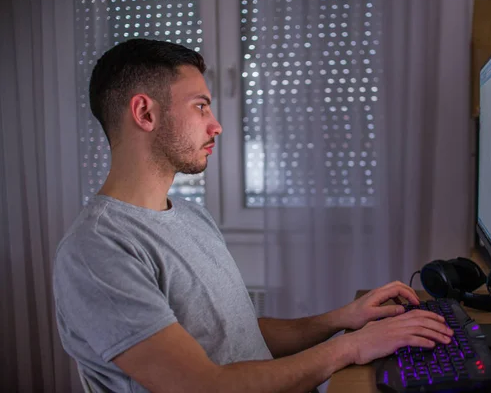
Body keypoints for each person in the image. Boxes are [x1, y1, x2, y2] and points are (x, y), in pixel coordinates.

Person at [53, 39, 453, 393]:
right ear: (144, 113)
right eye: (201, 106)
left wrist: (342, 319)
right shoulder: (98, 251)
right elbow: (203, 386)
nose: (216, 125)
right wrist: (351, 346)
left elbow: (238, 337)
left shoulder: (192, 218)